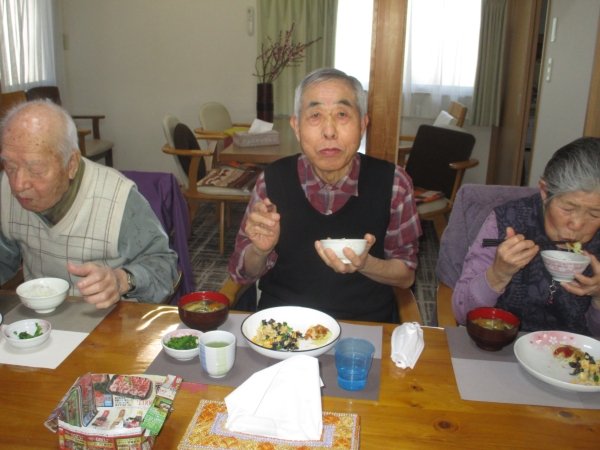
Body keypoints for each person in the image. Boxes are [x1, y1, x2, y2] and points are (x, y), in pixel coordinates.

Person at [228, 68, 421, 322]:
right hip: (283, 325)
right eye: (315, 115)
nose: (329, 131)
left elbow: (406, 275)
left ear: (362, 125)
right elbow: (242, 272)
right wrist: (260, 250)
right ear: (297, 127)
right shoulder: (272, 181)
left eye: (342, 114)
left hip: (363, 327)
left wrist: (366, 264)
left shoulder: (394, 184)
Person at [0, 100, 178, 307]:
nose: (18, 184)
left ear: (71, 164)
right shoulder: (5, 190)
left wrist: (121, 280)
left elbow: (165, 268)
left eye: (35, 170)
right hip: (39, 319)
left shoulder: (118, 199)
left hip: (112, 317)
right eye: (10, 167)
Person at [453, 137, 600, 336]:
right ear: (545, 192)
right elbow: (462, 313)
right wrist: (498, 274)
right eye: (568, 208)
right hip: (503, 343)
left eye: (595, 214)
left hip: (575, 350)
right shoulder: (507, 222)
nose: (577, 224)